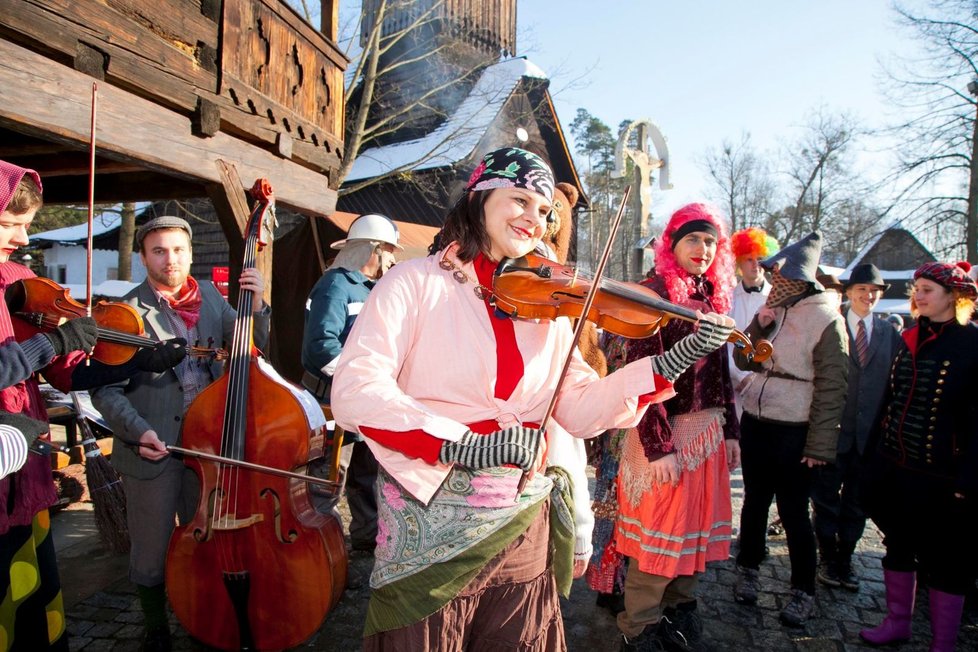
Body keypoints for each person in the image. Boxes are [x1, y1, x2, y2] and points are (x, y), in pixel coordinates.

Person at [329, 147, 735, 651]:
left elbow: (581, 408)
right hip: (431, 522)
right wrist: (461, 445)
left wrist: (667, 364)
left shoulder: (546, 308)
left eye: (544, 210)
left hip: (522, 524)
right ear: (479, 197)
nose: (534, 218)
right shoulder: (412, 284)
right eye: (519, 199)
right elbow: (355, 391)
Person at [0, 160, 184, 651]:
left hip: (23, 459)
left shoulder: (16, 279)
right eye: (9, 223)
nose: (22, 237)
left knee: (29, 586)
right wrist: (54, 343)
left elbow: (71, 372)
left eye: (25, 224)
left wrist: (137, 363)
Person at [90, 215, 269, 652]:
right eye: (158, 251)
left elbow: (249, 345)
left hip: (208, 446)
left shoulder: (209, 295)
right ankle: (155, 628)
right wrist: (140, 432)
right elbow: (105, 392)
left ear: (191, 253)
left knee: (206, 542)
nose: (171, 260)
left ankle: (202, 616)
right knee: (150, 551)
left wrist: (257, 305)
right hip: (153, 447)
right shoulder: (125, 310)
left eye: (178, 250)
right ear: (143, 256)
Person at [613, 203, 741, 651]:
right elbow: (638, 374)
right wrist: (659, 447)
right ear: (672, 244)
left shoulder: (713, 296)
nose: (703, 249)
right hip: (664, 436)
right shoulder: (653, 294)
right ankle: (639, 628)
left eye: (711, 242)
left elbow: (722, 371)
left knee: (693, 535)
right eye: (693, 239)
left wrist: (731, 432)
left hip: (707, 435)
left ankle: (677, 614)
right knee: (658, 539)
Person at [732, 231, 848, 627]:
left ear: (799, 279)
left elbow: (833, 387)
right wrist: (758, 329)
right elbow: (743, 359)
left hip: (795, 428)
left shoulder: (826, 318)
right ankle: (747, 568)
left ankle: (802, 590)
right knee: (754, 501)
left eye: (780, 276)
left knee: (794, 511)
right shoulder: (772, 308)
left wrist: (818, 444)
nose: (773, 282)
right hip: (757, 421)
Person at [860, 262, 978, 652]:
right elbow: (889, 402)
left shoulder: (971, 345)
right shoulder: (908, 337)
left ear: (953, 296)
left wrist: (968, 480)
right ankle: (898, 623)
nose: (919, 295)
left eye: (927, 288)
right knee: (898, 546)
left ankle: (943, 643)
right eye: (916, 288)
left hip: (945, 478)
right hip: (898, 469)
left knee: (947, 563)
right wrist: (874, 459)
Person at [301, 213, 401, 553]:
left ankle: (365, 544)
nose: (393, 259)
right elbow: (321, 347)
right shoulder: (335, 285)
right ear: (371, 249)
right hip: (330, 401)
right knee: (329, 478)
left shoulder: (374, 288)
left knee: (366, 475)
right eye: (389, 251)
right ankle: (319, 549)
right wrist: (361, 378)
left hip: (364, 399)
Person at [811, 264, 899, 592]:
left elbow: (896, 384)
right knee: (825, 499)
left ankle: (845, 560)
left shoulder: (890, 333)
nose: (869, 295)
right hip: (833, 432)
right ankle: (827, 557)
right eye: (862, 289)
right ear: (849, 292)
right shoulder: (831, 325)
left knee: (857, 504)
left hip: (869, 437)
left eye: (875, 290)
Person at [727, 227, 778, 419]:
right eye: (749, 259)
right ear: (740, 262)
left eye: (760, 259)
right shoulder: (728, 299)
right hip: (734, 387)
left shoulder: (776, 298)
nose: (755, 264)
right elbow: (726, 342)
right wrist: (741, 376)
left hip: (769, 389)